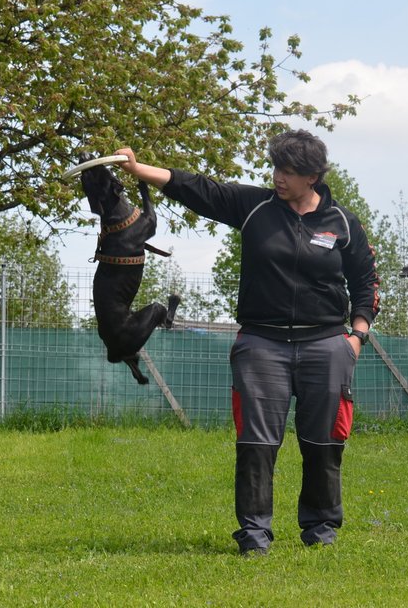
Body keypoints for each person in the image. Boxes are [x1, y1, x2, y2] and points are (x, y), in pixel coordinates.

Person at [115, 129, 380, 556]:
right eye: (276, 167)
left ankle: (321, 531)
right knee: (256, 445)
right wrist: (138, 168)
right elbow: (199, 190)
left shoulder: (343, 224)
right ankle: (255, 536)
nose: (278, 177)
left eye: (289, 171)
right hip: (262, 346)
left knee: (324, 443)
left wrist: (357, 335)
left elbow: (367, 280)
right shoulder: (255, 206)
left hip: (327, 346)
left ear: (313, 176)